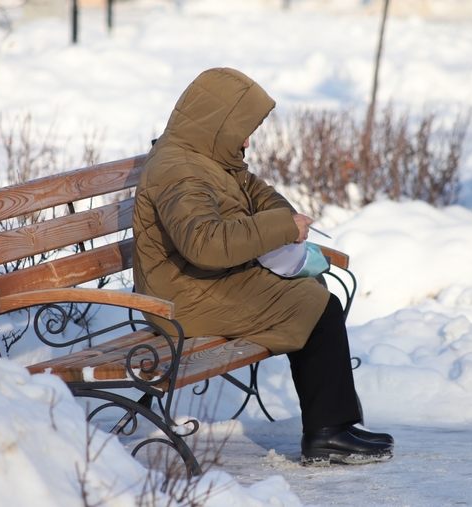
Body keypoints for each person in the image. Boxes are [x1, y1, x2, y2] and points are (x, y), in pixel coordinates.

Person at [132, 67, 393, 465]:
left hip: (207, 282)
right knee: (312, 303)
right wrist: (280, 228)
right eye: (241, 129)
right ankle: (328, 432)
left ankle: (333, 426)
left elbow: (260, 195)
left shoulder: (212, 157)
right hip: (180, 298)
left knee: (312, 293)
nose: (248, 140)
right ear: (216, 123)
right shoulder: (178, 170)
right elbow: (203, 243)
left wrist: (283, 225)